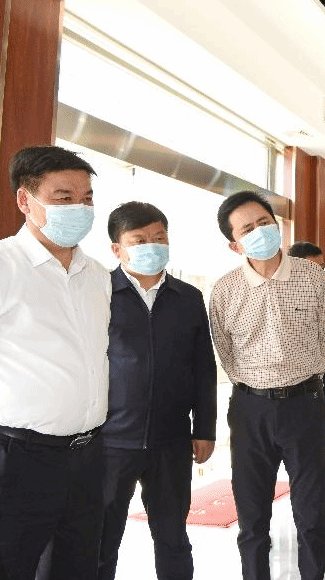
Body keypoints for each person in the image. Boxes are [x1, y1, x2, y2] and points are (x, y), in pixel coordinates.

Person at [209, 191, 325, 580]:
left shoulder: (311, 276)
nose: (260, 231)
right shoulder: (224, 289)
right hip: (251, 410)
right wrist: (258, 386)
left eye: (264, 222)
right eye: (247, 229)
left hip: (305, 404)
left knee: (311, 515)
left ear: (277, 225)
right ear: (235, 244)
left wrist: (302, 378)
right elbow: (225, 352)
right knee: (252, 518)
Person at [0, 145, 111, 579]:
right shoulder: (5, 265)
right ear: (25, 200)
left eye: (86, 199)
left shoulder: (97, 274)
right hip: (20, 459)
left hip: (87, 456)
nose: (79, 209)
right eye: (64, 198)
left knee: (77, 568)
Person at [97, 201, 217, 580]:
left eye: (159, 237)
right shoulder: (99, 292)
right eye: (139, 240)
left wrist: (205, 428)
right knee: (101, 539)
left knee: (173, 537)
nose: (152, 245)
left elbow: (203, 368)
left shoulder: (189, 297)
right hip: (110, 441)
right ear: (117, 249)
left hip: (172, 440)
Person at [286, 240, 325, 542]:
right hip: (272, 400)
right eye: (313, 268)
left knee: (314, 467)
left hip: (313, 394)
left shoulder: (322, 296)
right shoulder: (277, 295)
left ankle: (317, 520)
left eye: (323, 268)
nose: (320, 273)